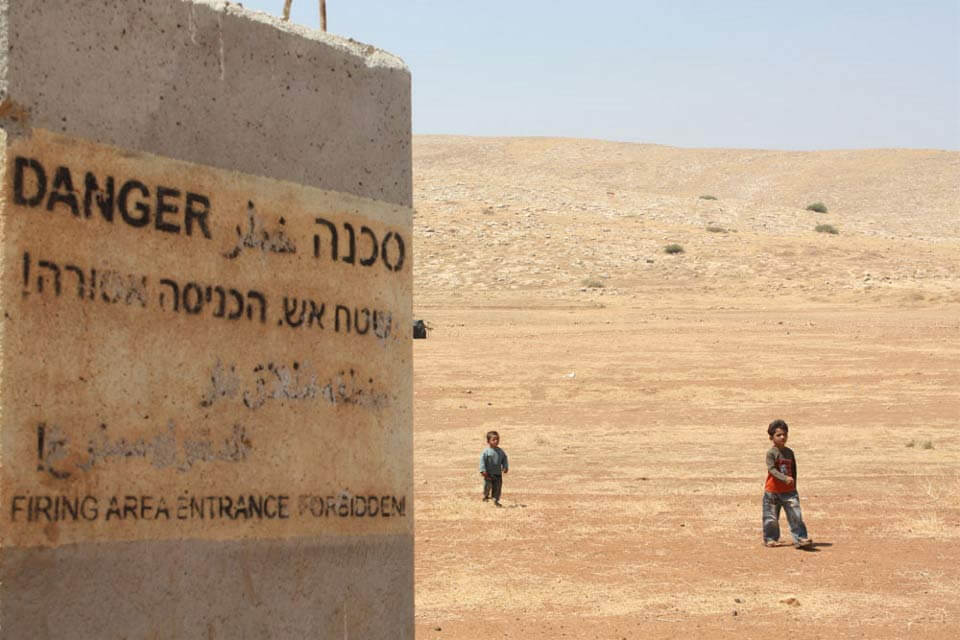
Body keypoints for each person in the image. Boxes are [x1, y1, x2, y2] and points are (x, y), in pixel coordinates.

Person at [762, 419, 812, 548]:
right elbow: (772, 469)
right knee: (771, 517)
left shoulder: (789, 452)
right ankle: (771, 539)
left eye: (784, 434)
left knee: (796, 515)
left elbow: (794, 470)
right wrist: (784, 478)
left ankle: (801, 539)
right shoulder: (771, 453)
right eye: (778, 435)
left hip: (789, 491)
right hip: (772, 491)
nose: (782, 437)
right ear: (771, 437)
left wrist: (793, 485)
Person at [479, 430, 509, 507]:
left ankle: (495, 500)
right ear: (488, 441)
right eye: (494, 439)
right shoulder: (486, 451)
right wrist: (483, 470)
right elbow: (482, 461)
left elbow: (504, 458)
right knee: (487, 486)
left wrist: (505, 466)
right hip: (488, 474)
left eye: (497, 439)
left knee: (497, 488)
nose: (496, 441)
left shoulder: (500, 451)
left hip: (498, 473)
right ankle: (485, 496)